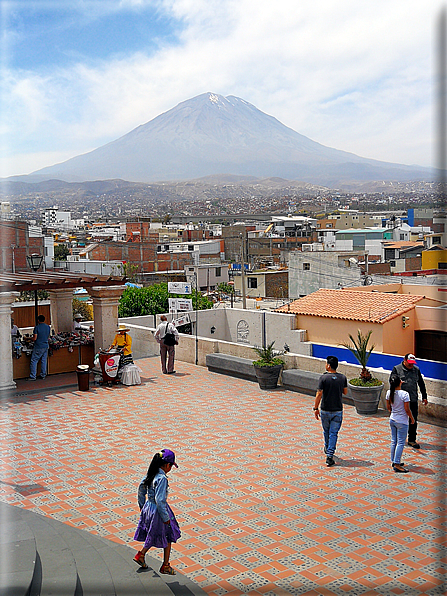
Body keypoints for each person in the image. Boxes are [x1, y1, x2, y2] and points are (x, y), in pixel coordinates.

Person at [133, 449, 181, 574]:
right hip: (158, 512)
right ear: (166, 465)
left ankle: (141, 555)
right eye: (171, 465)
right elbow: (160, 501)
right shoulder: (162, 479)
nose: (170, 468)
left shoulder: (151, 474)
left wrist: (143, 507)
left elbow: (141, 490)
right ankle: (165, 565)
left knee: (152, 533)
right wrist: (165, 518)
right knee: (168, 535)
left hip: (148, 507)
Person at [314, 355, 348, 467]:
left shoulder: (323, 378)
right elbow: (345, 392)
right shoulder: (342, 378)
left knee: (326, 431)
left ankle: (327, 447)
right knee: (334, 433)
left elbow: (319, 394)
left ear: (328, 365)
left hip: (325, 409)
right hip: (337, 409)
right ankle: (329, 455)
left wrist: (315, 408)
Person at [390, 353, 428, 449]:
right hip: (400, 400)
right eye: (409, 363)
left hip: (412, 399)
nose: (411, 365)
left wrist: (424, 396)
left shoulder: (416, 370)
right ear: (404, 360)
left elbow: (421, 383)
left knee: (413, 420)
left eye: (412, 363)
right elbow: (392, 383)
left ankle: (412, 439)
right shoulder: (396, 369)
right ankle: (398, 439)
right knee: (399, 420)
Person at [386, 374, 415, 473]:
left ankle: (394, 460)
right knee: (401, 442)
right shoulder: (405, 394)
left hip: (392, 419)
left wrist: (392, 413)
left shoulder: (389, 393)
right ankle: (397, 464)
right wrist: (412, 418)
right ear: (399, 382)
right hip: (402, 421)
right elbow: (407, 409)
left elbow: (388, 407)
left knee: (394, 441)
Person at [29, 314, 51, 380]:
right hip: (46, 345)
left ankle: (33, 376)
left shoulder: (37, 328)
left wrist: (28, 338)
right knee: (44, 360)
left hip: (38, 346)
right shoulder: (48, 327)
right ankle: (43, 374)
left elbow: (34, 338)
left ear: (38, 320)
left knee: (34, 360)